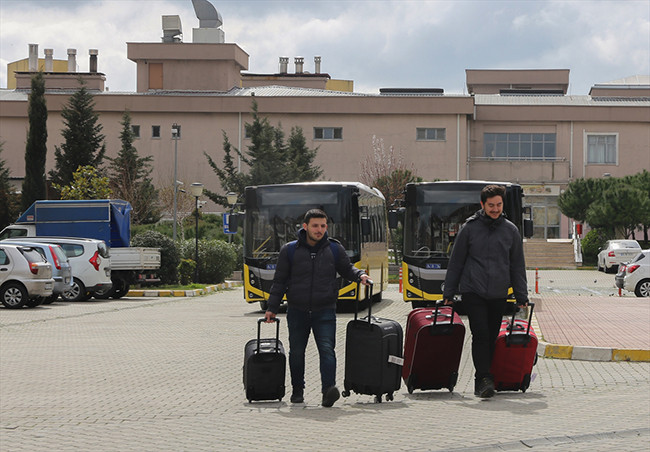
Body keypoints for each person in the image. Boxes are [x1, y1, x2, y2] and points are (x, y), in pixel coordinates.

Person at [264, 208, 371, 407]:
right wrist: (272, 307)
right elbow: (279, 281)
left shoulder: (334, 249)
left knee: (327, 350)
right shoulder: (290, 250)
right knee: (297, 352)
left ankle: (328, 390)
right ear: (305, 227)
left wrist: (360, 276)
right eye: (315, 226)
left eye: (323, 226)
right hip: (297, 310)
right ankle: (297, 390)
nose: (319, 230)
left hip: (325, 310)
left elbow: (347, 269)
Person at [442, 184, 528, 399]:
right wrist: (449, 293)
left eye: (499, 205)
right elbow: (456, 262)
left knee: (491, 337)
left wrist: (521, 295)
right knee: (480, 334)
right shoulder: (469, 229)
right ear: (482, 205)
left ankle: (487, 377)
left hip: (499, 293)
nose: (495, 209)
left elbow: (517, 265)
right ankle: (483, 379)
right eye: (491, 205)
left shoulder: (511, 230)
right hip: (474, 291)